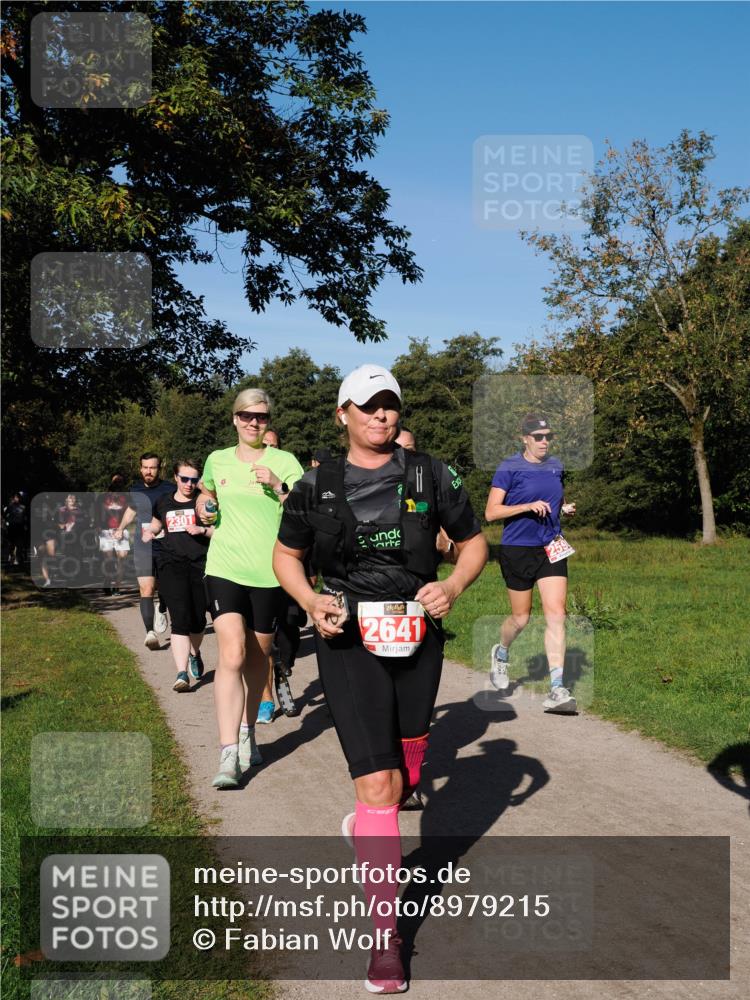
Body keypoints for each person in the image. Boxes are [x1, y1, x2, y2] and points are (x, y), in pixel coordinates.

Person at [273, 364, 487, 994]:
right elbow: (287, 556)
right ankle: (385, 939)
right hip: (348, 636)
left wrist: (451, 585)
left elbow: (473, 542)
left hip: (416, 633)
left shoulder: (432, 474)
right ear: (343, 414)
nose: (380, 416)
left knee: (408, 775)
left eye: (389, 406)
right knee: (378, 785)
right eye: (367, 407)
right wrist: (312, 601)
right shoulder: (316, 485)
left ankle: (379, 814)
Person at [196, 388, 304, 788]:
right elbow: (206, 493)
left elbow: (304, 509)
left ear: (267, 420)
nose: (253, 423)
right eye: (246, 416)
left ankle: (247, 732)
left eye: (260, 417)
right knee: (232, 652)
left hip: (271, 572)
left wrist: (279, 485)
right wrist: (203, 506)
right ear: (235, 418)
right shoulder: (217, 459)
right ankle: (227, 754)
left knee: (259, 656)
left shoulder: (284, 461)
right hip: (224, 567)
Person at [484, 414, 577, 712]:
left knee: (556, 613)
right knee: (521, 618)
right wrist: (526, 506)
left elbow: (553, 499)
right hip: (517, 549)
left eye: (548, 436)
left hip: (550, 546)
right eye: (538, 437)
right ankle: (501, 653)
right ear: (524, 438)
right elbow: (491, 513)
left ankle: (557, 688)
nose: (544, 441)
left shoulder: (556, 466)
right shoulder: (509, 467)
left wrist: (565, 507)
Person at [143, 460, 213, 691]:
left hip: (200, 564)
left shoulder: (204, 501)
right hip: (170, 564)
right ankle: (181, 674)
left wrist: (202, 530)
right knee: (180, 618)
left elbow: (219, 529)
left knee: (198, 621)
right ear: (175, 477)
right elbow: (156, 524)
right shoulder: (163, 501)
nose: (189, 484)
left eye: (194, 480)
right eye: (184, 479)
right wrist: (149, 532)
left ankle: (195, 652)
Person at [115, 454, 174, 649]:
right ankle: (150, 632)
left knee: (164, 587)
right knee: (146, 589)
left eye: (153, 468)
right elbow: (131, 510)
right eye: (145, 467)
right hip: (143, 546)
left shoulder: (169, 489)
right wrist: (121, 527)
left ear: (160, 468)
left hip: (166, 546)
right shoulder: (135, 489)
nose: (149, 471)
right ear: (140, 468)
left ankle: (162, 607)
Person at [97, 475, 130, 595]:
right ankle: (107, 581)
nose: (118, 482)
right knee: (109, 561)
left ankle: (117, 587)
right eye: (116, 480)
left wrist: (122, 528)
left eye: (120, 480)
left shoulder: (127, 497)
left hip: (122, 530)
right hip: (106, 531)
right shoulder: (103, 497)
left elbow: (130, 514)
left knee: (122, 559)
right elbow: (96, 512)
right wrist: (98, 526)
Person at [3, 493, 27, 566]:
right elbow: (4, 516)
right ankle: (11, 557)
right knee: (11, 544)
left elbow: (25, 517)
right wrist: (8, 521)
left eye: (18, 497)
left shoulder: (23, 507)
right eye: (16, 497)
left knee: (19, 544)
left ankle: (18, 558)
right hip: (12, 527)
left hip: (20, 527)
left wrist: (25, 525)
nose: (17, 499)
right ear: (14, 498)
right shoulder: (10, 507)